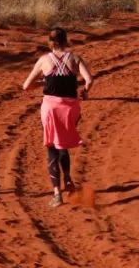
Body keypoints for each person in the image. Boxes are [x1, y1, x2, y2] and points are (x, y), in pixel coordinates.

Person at [22, 28, 94, 208]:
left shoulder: (44, 60)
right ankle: (68, 178)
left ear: (50, 42)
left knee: (51, 147)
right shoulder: (75, 58)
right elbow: (89, 79)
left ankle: (56, 194)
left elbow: (26, 86)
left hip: (51, 109)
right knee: (62, 143)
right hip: (71, 109)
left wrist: (44, 82)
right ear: (66, 40)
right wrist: (85, 92)